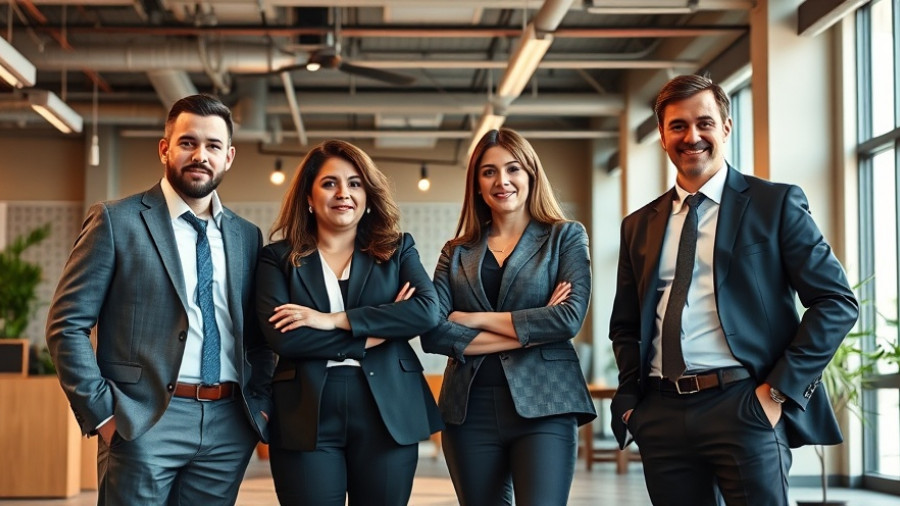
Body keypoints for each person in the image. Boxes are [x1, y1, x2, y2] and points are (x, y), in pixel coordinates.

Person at [609, 74, 860, 505]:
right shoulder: (638, 225)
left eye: (704, 123)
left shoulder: (773, 204)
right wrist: (633, 402)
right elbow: (627, 325)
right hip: (662, 413)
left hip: (744, 405)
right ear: (662, 135)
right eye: (678, 126)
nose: (692, 137)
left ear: (726, 127)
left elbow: (836, 302)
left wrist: (777, 391)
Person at [45, 94, 274, 504]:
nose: (200, 155)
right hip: (143, 420)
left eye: (213, 146)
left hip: (227, 425)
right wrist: (105, 414)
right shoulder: (116, 221)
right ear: (165, 148)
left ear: (229, 157)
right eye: (188, 142)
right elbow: (67, 325)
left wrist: (260, 405)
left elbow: (256, 336)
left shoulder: (246, 237)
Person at [256, 139, 443, 505]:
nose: (344, 193)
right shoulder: (276, 258)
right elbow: (286, 340)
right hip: (305, 413)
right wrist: (377, 333)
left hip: (387, 409)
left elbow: (424, 312)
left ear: (368, 195)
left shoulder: (397, 249)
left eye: (355, 183)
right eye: (330, 183)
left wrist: (332, 320)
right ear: (309, 197)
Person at [420, 128, 596, 506]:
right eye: (489, 172)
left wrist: (473, 318)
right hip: (468, 409)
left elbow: (566, 319)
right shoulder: (456, 251)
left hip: (546, 403)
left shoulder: (564, 237)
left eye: (513, 169)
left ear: (530, 174)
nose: (502, 181)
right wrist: (534, 326)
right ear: (477, 184)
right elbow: (433, 333)